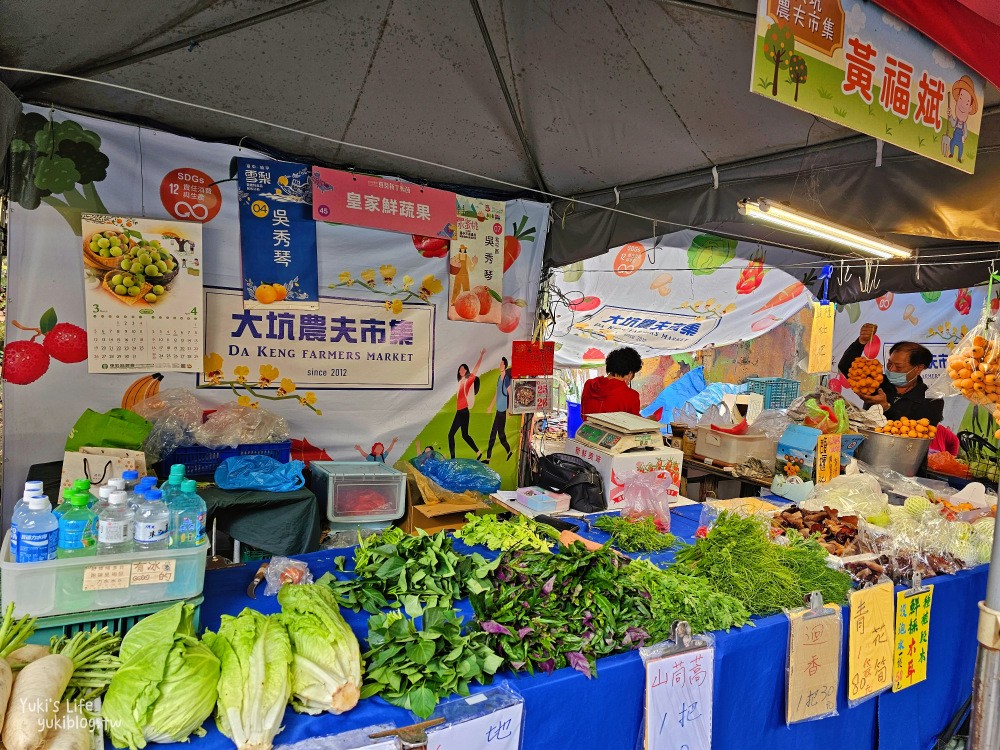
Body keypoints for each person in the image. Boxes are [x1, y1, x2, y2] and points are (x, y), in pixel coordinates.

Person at [838, 323, 944, 425]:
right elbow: (846, 367)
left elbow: (919, 431)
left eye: (898, 367)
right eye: (889, 364)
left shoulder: (931, 400)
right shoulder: (877, 383)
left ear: (918, 368)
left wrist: (886, 407)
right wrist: (861, 342)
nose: (891, 369)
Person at [580, 346, 643, 421]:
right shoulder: (631, 396)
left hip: (587, 431)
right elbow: (634, 425)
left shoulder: (589, 384)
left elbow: (583, 414)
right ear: (630, 373)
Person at [448, 349, 486, 459]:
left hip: (463, 411)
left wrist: (481, 356)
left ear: (466, 370)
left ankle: (453, 458)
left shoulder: (468, 381)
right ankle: (478, 453)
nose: (460, 371)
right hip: (460, 411)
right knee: (463, 435)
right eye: (459, 370)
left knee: (453, 435)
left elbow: (476, 369)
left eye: (462, 369)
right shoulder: (460, 382)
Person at [484, 356, 513, 463]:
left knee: (493, 434)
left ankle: (488, 458)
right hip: (498, 409)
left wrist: (510, 410)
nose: (500, 365)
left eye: (501, 364)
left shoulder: (506, 379)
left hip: (502, 411)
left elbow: (510, 393)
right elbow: (497, 393)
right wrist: (490, 406)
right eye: (500, 364)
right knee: (501, 435)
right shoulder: (499, 378)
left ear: (505, 366)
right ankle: (509, 451)